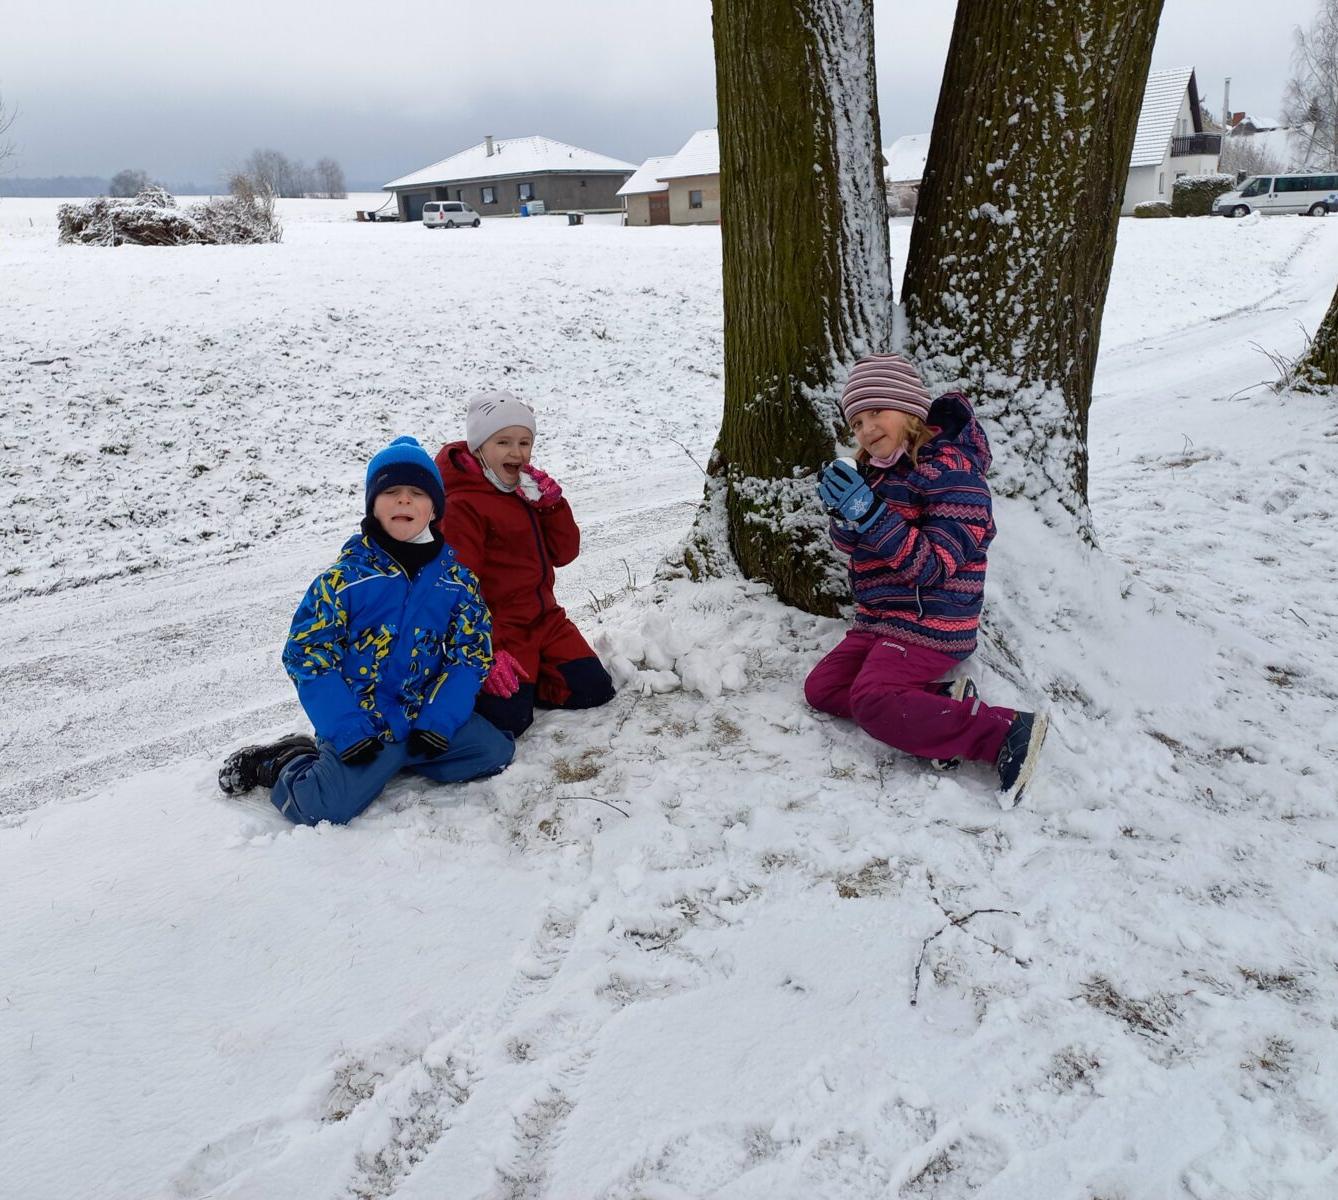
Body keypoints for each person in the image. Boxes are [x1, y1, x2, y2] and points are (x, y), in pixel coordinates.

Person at [218, 436, 515, 824]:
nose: (404, 500)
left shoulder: (457, 583)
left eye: (417, 493)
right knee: (324, 807)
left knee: (494, 753)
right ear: (373, 505)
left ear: (434, 509)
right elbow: (307, 656)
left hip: (422, 715)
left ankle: (397, 760)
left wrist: (439, 719)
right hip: (364, 724)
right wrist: (346, 729)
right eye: (391, 491)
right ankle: (284, 760)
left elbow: (470, 655)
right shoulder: (343, 581)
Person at [805, 353, 1048, 807]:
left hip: (930, 622)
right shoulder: (875, 476)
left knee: (873, 700)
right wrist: (844, 516)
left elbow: (934, 567)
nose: (867, 428)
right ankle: (941, 702)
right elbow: (857, 547)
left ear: (910, 410)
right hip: (881, 621)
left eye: (877, 411)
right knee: (823, 690)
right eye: (856, 421)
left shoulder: (954, 474)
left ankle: (1004, 732)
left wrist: (869, 514)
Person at [434, 391, 615, 736]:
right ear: (478, 448)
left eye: (524, 442)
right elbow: (459, 588)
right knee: (510, 721)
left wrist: (552, 507)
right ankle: (467, 687)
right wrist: (487, 649)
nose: (516, 453)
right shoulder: (462, 504)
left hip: (546, 621)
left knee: (595, 689)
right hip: (500, 630)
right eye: (502, 442)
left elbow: (565, 553)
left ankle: (530, 682)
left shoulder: (527, 490)